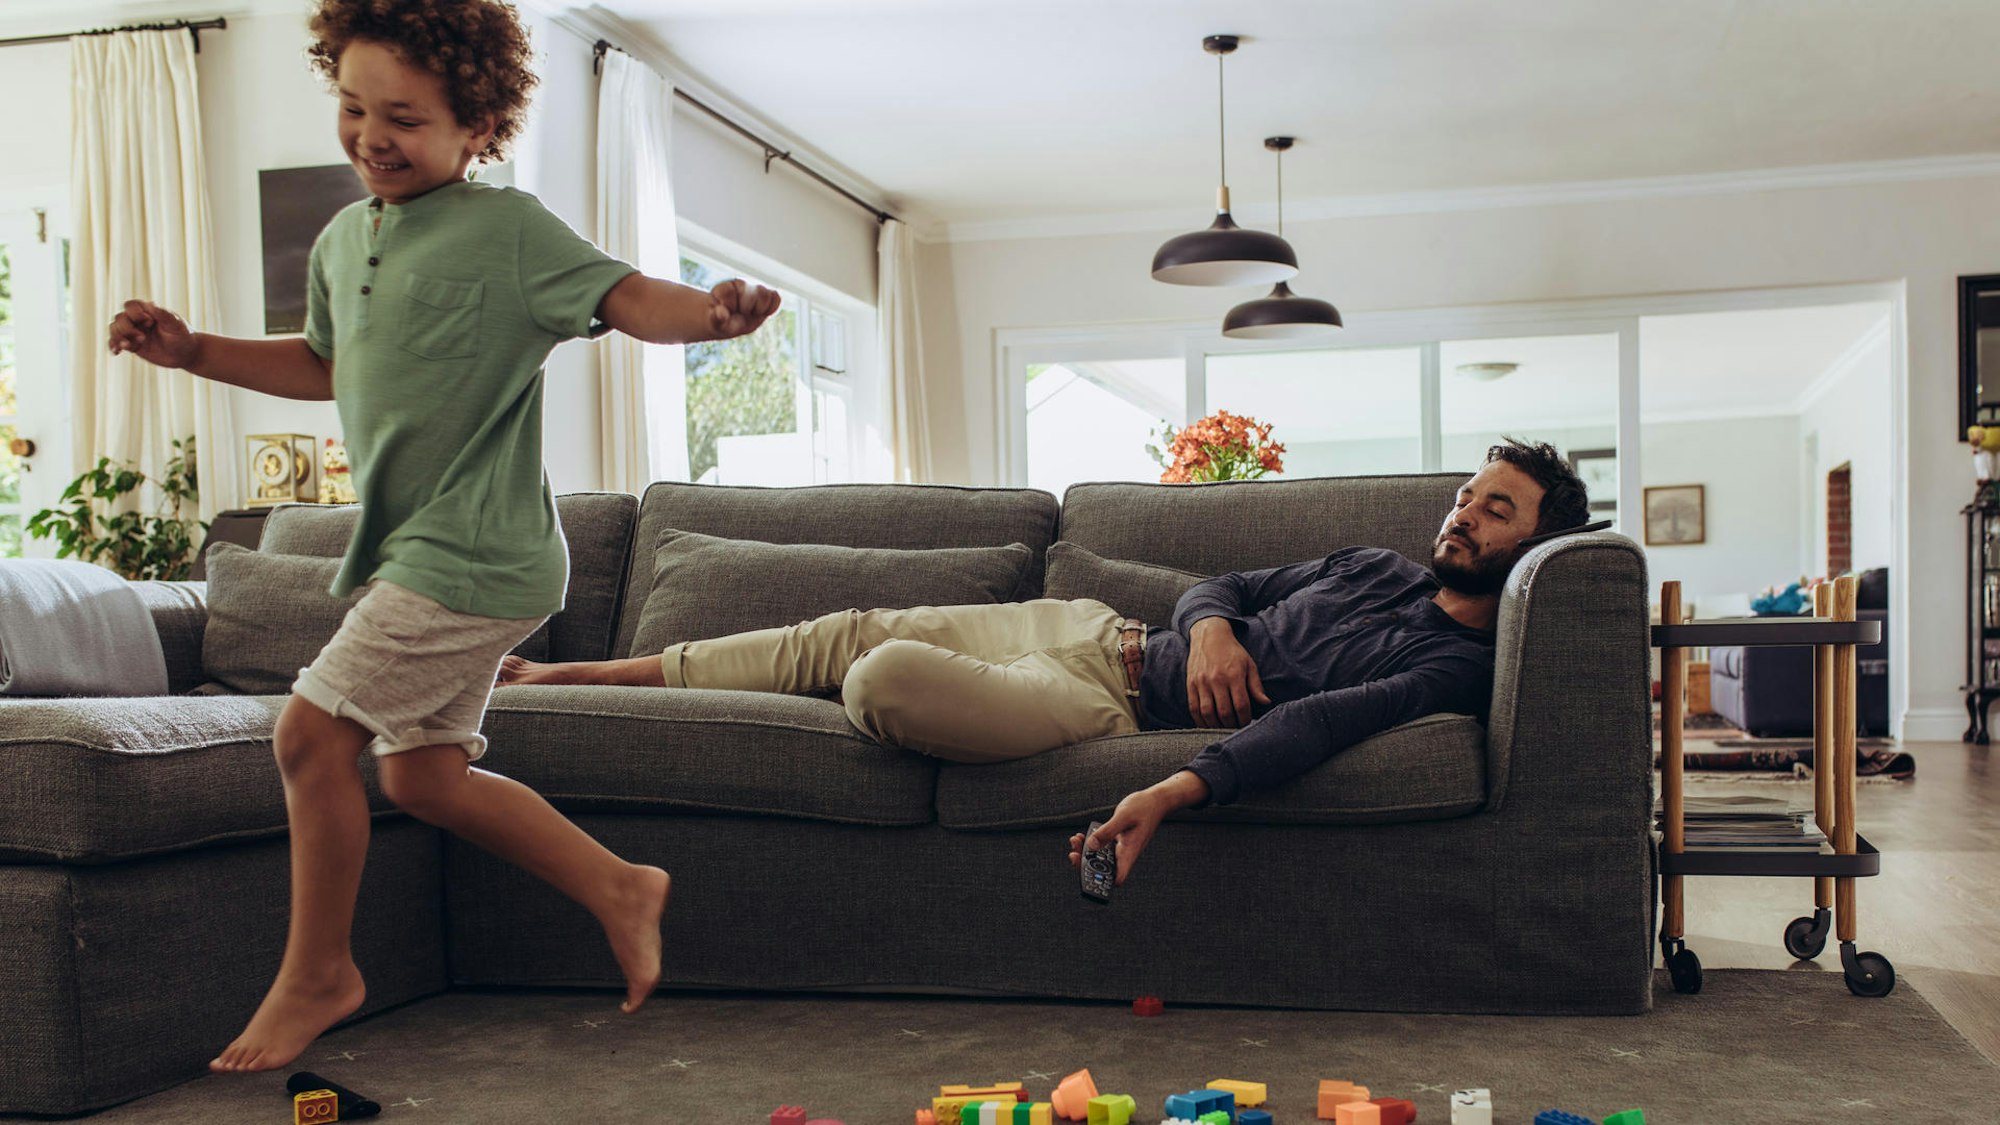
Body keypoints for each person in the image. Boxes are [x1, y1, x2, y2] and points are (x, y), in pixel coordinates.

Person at [106, 0, 779, 1074]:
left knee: (306, 736)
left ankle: (321, 970)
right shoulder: (341, 239)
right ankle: (618, 884)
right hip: (428, 553)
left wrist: (709, 317)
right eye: (353, 106)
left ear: (476, 129)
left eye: (405, 118)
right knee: (418, 777)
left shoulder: (507, 231)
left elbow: (624, 295)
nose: (372, 135)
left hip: (477, 551)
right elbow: (324, 368)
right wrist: (193, 354)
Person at [501, 441, 1590, 881]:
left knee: (877, 674)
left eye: (1494, 512)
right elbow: (1225, 590)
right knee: (839, 632)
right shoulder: (1368, 563)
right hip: (1088, 629)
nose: (1463, 516)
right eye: (1464, 497)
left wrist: (1170, 787)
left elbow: (1310, 728)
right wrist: (1207, 628)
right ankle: (565, 678)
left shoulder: (1452, 664)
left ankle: (851, 689)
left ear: (1530, 545)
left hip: (1094, 705)